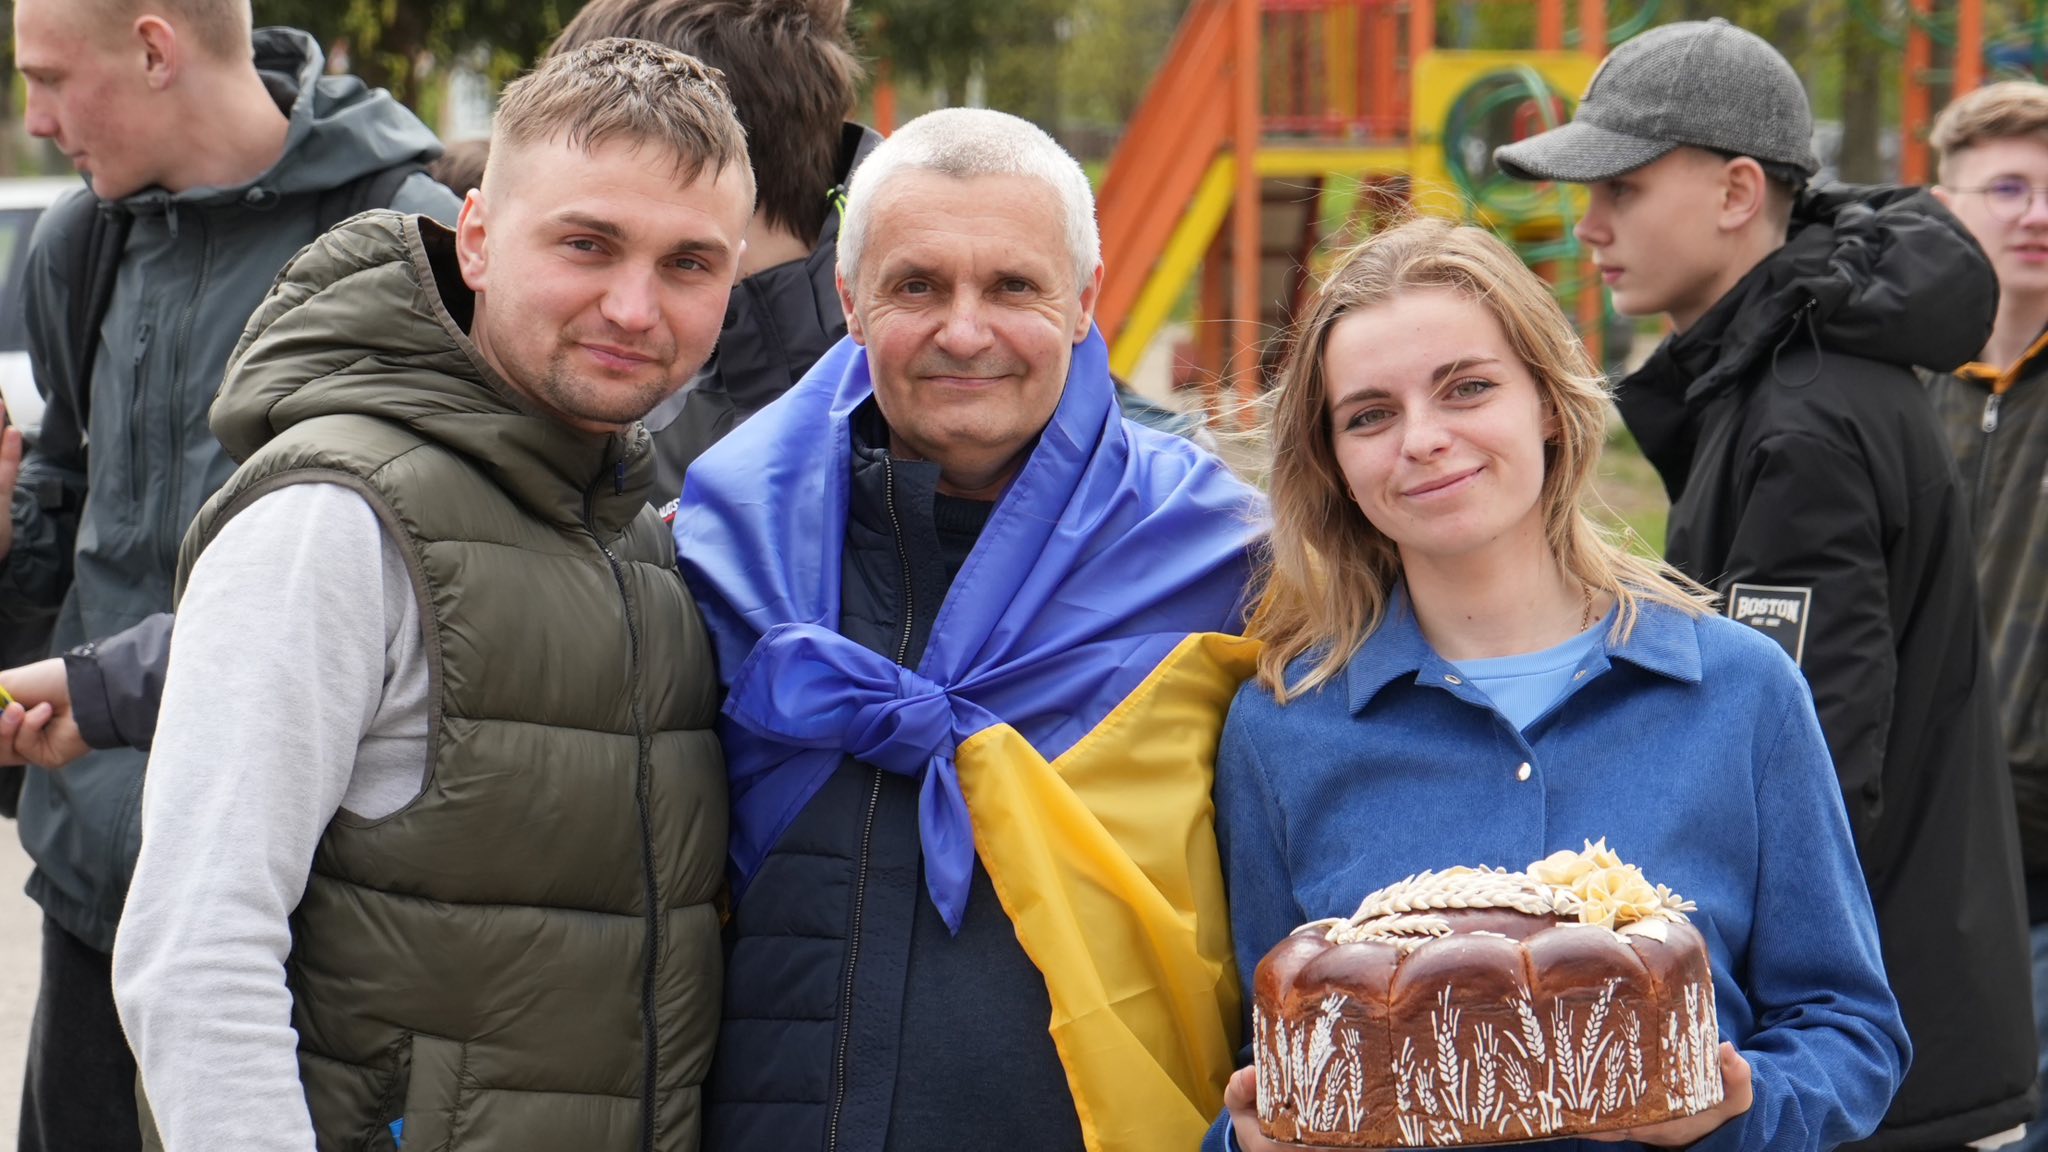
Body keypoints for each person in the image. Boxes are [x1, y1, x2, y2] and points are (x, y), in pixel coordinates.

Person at [110, 38, 749, 1152]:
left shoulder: (637, 538)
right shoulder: (331, 523)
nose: (634, 306)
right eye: (588, 244)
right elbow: (193, 954)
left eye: (688, 263)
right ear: (479, 239)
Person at [1209, 216, 1908, 1152]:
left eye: (1467, 388)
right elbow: (1271, 1056)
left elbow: (1851, 1031)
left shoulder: (1744, 693)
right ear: (1333, 463)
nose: (1423, 439)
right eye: (1369, 415)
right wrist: (1247, 1140)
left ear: (1546, 400)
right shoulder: (1280, 728)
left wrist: (1737, 1115)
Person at [674, 107, 1262, 1152]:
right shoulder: (721, 549)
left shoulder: (1224, 559)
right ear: (850, 302)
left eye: (1012, 287)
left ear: (1085, 301)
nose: (963, 331)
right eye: (916, 286)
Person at [1496, 19, 2035, 1148]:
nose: (1589, 226)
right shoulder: (1792, 380)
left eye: (1623, 188)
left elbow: (1799, 772)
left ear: (1738, 191)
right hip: (1896, 1030)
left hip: (1855, 1067)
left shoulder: (1802, 418)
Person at [0, 0, 458, 1147]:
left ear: (155, 50)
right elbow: (73, 520)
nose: (34, 118)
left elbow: (454, 564)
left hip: (307, 931)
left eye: (47, 77)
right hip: (92, 906)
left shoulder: (408, 233)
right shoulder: (80, 245)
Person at [1926, 81, 2048, 1152]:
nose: (2036, 215)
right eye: (2006, 188)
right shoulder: (1902, 384)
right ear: (1945, 206)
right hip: (1931, 835)